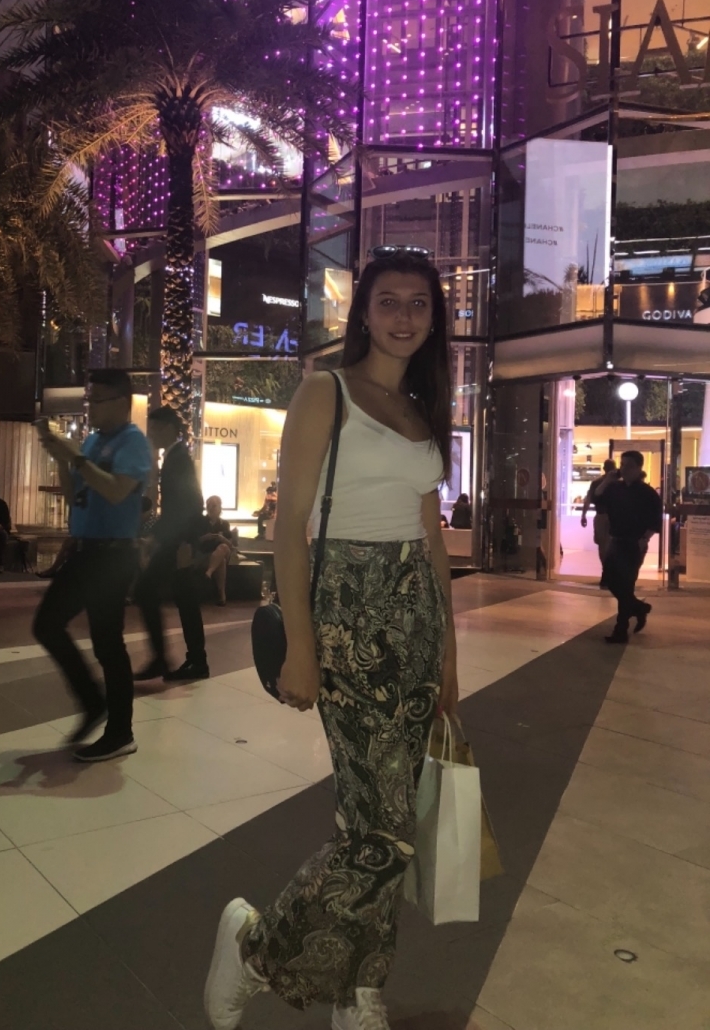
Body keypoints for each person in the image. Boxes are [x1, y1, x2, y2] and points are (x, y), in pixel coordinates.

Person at [204, 249, 458, 1030]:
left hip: (414, 619)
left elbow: (432, 541)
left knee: (382, 816)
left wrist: (448, 660)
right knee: (383, 832)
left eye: (419, 303)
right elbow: (291, 529)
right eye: (389, 301)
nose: (404, 316)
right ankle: (254, 947)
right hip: (348, 612)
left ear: (434, 319)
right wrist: (302, 646)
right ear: (365, 314)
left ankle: (359, 989)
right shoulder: (327, 392)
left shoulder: (419, 408)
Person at [31, 369, 152, 762]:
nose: (91, 408)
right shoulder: (93, 440)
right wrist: (62, 459)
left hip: (113, 555)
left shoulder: (133, 442)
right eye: (90, 400)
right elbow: (77, 496)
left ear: (121, 402)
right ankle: (93, 702)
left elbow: (117, 492)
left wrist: (77, 458)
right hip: (86, 551)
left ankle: (119, 732)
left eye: (97, 400)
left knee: (107, 643)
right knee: (47, 625)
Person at [133, 407, 210, 682]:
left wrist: (184, 543)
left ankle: (176, 659)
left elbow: (192, 504)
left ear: (167, 428)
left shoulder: (179, 460)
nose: (150, 434)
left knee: (149, 591)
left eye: (154, 429)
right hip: (176, 541)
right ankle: (191, 660)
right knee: (182, 599)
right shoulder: (175, 457)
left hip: (178, 544)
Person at [593, 450, 662, 644]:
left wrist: (644, 539)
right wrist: (607, 480)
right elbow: (597, 498)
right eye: (622, 465)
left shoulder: (648, 493)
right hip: (615, 541)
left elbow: (655, 520)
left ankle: (621, 629)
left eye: (629, 466)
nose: (624, 469)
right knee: (611, 581)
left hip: (634, 543)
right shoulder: (615, 488)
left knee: (626, 584)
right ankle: (639, 608)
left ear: (639, 468)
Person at [581, 459, 617, 589]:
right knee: (614, 546)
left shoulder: (596, 483)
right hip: (615, 518)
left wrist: (583, 515)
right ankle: (610, 573)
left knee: (602, 546)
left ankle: (606, 572)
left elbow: (588, 500)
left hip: (601, 516)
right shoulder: (618, 483)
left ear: (604, 468)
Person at [200, 495, 236, 606]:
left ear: (220, 508)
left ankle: (209, 571)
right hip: (207, 554)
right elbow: (195, 541)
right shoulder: (202, 522)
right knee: (221, 562)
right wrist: (205, 537)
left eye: (214, 506)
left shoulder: (224, 524)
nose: (211, 508)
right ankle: (222, 595)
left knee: (223, 547)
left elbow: (230, 545)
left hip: (223, 551)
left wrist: (222, 538)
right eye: (209, 506)